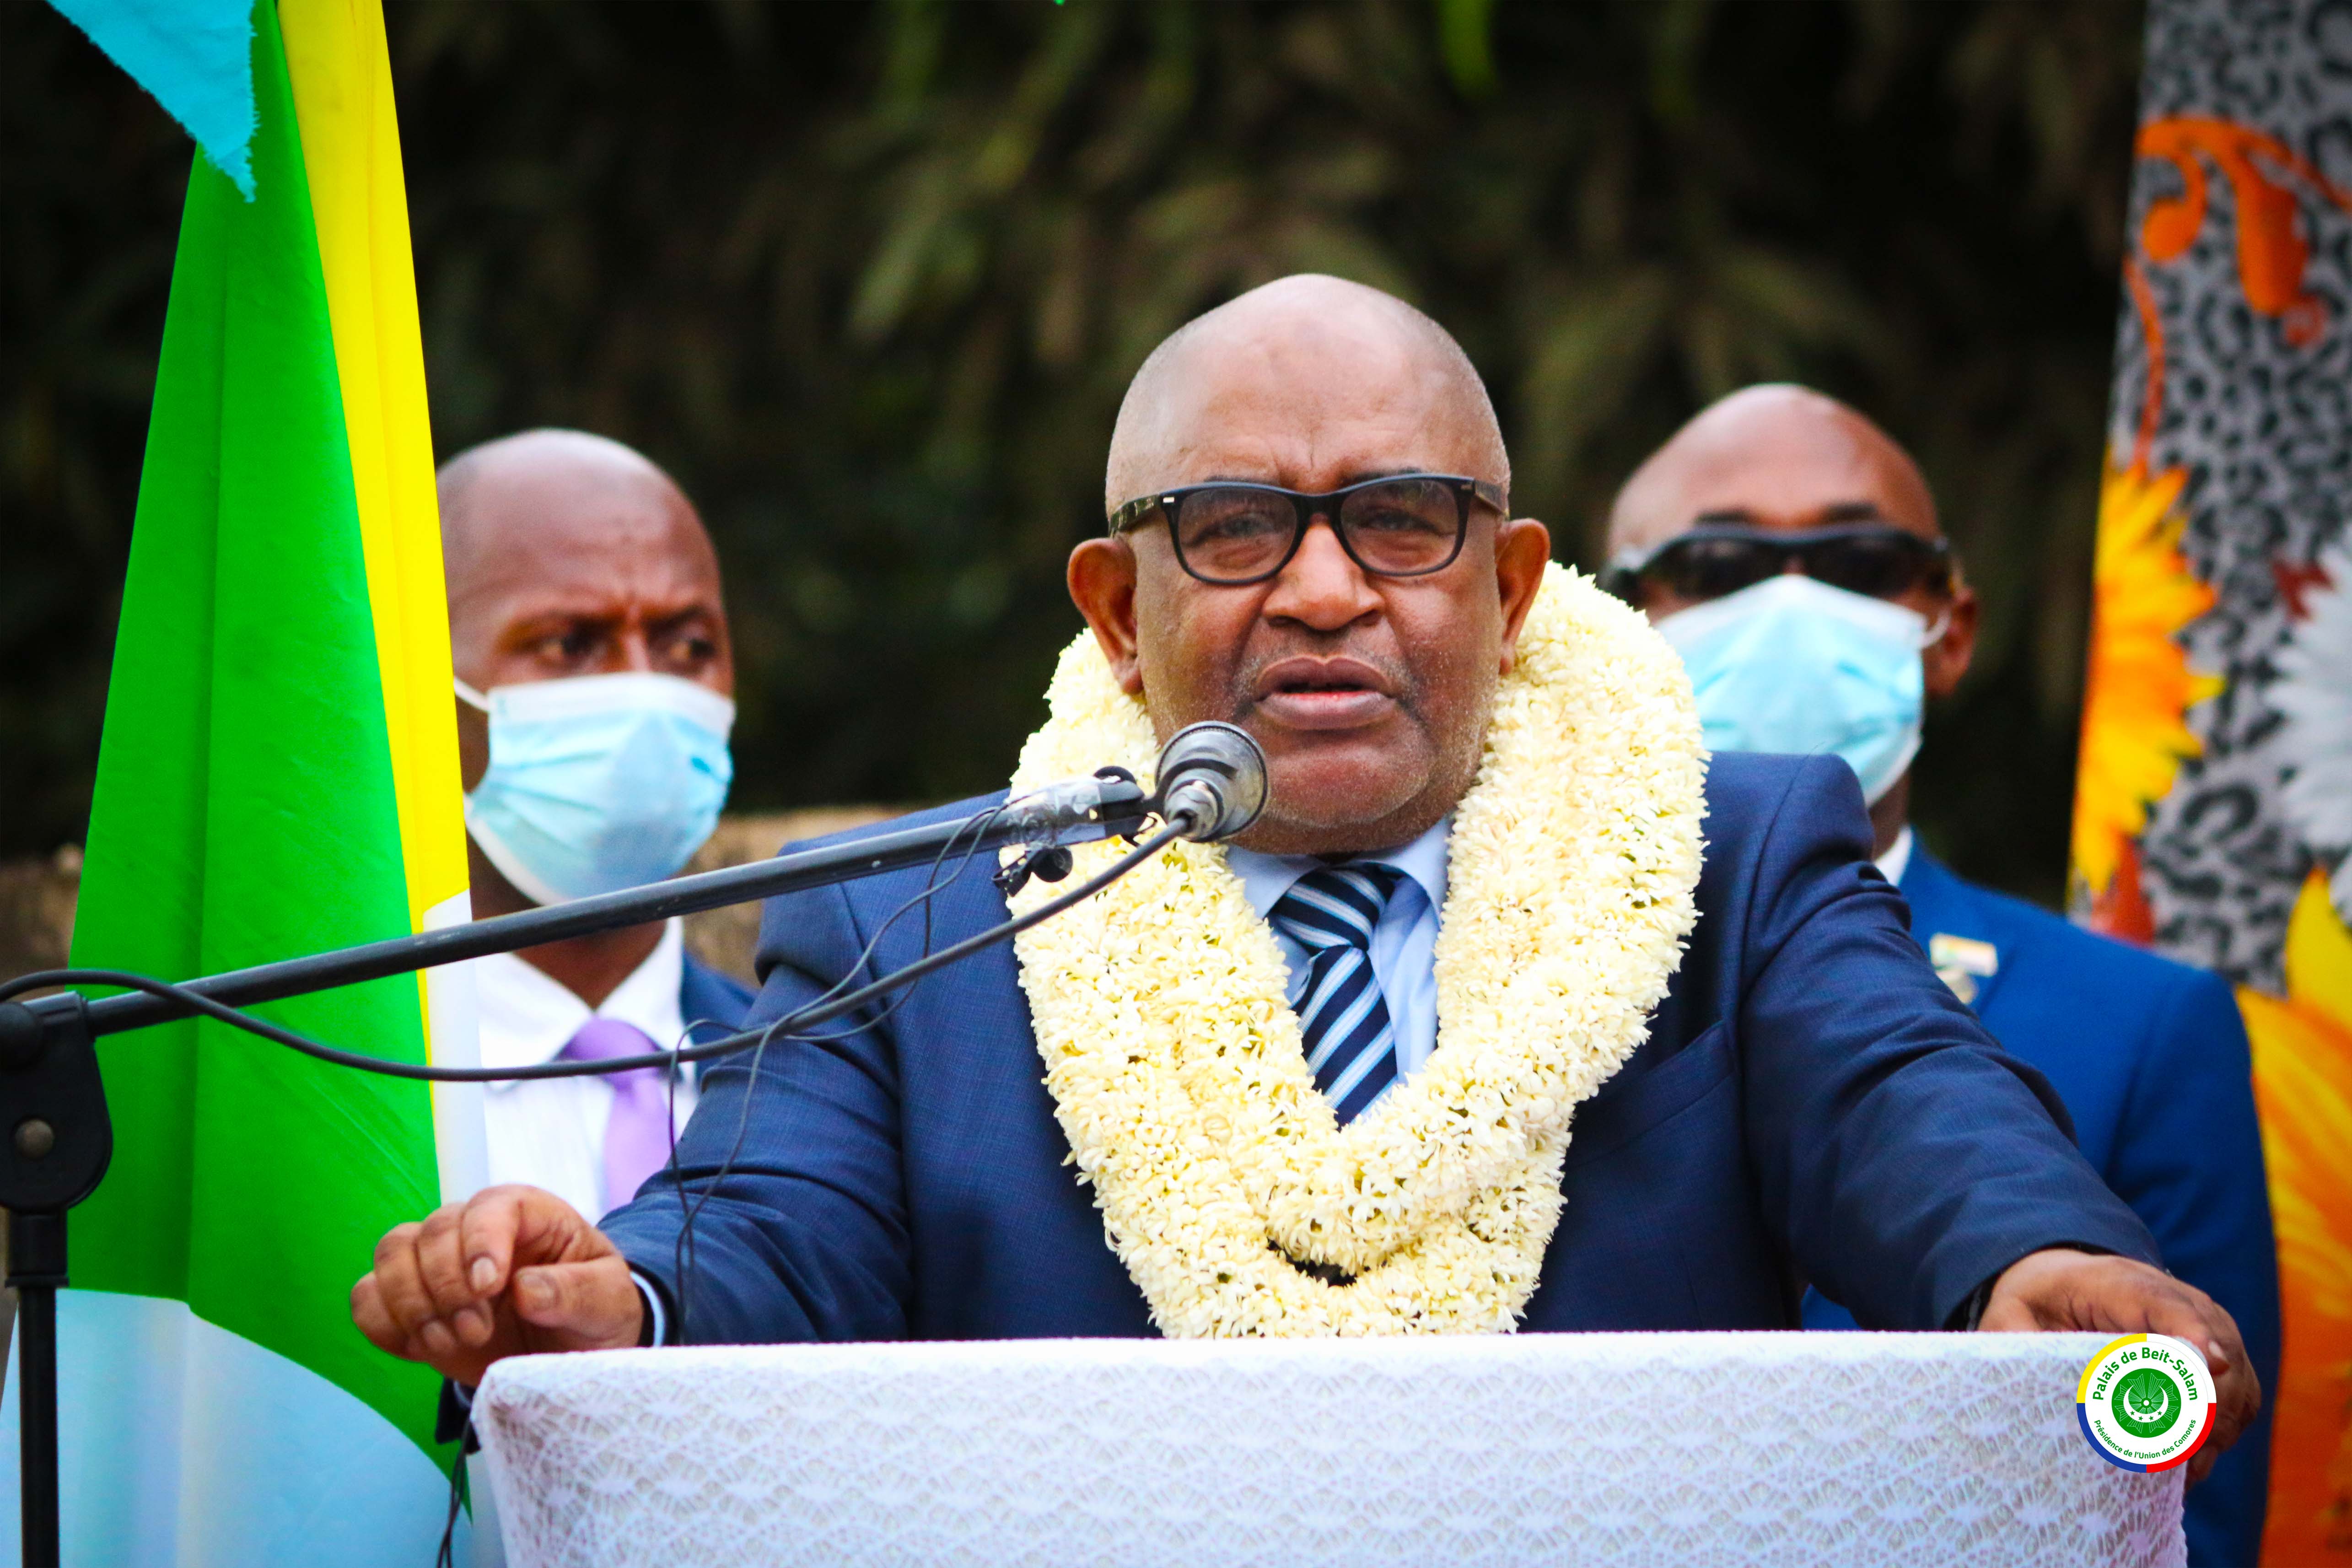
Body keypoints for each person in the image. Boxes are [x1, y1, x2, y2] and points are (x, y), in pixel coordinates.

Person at [354, 279, 2259, 1483]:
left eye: (1403, 521)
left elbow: (1899, 1099)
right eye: (1238, 525)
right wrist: (627, 1300)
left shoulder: (1730, 846)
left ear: (1509, 591)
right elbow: (767, 1230)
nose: (1327, 588)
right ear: (1119, 608)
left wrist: (2026, 1254)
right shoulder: (919, 920)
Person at [1605, 383, 2280, 1564]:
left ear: (1948, 630)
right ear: (1613, 628)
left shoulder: (2141, 1024)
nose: (1793, 603)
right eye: (1715, 564)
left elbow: (2187, 1518)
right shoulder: (1517, 989)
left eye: (1859, 560)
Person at [439, 429, 756, 1223]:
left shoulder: (815, 1071)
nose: (644, 694)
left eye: (686, 644)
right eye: (569, 644)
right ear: (415, 684)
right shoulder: (329, 1093)